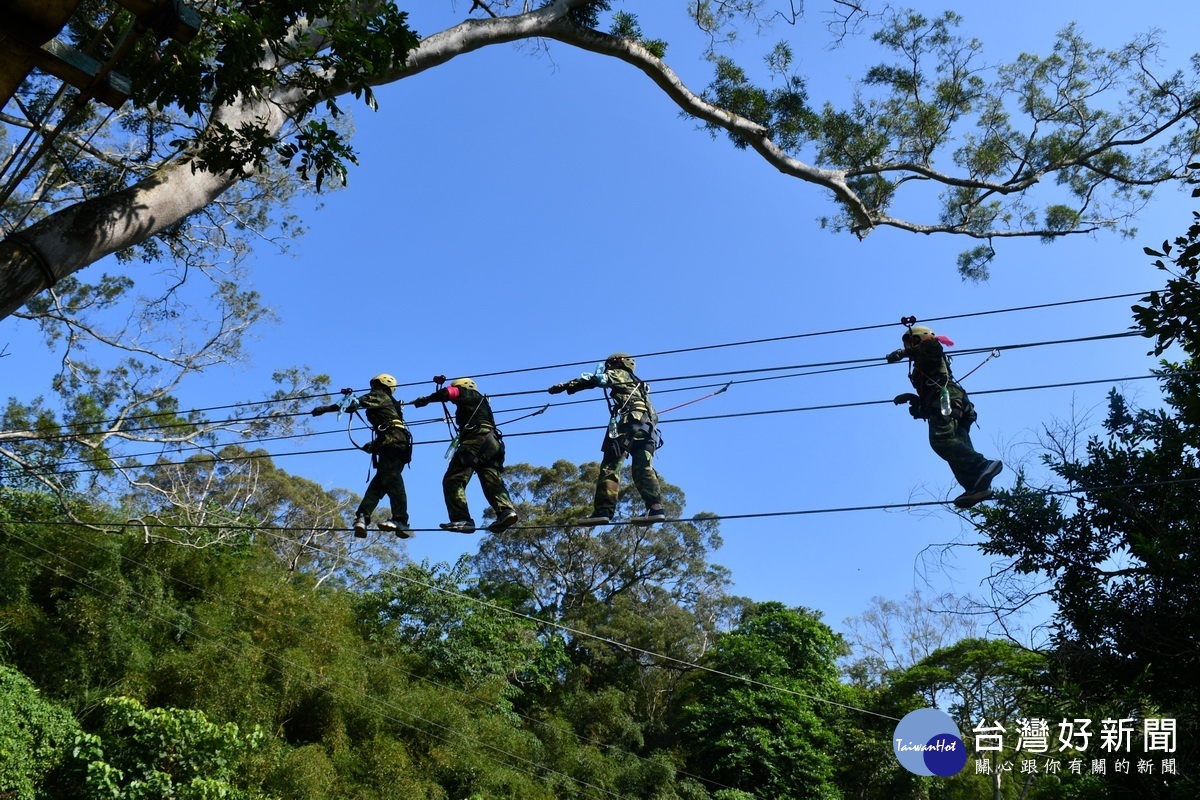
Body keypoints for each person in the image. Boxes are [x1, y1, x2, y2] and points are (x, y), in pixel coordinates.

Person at [886, 325, 1003, 508]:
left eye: (910, 343)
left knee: (941, 440)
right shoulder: (921, 365)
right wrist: (913, 400)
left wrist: (902, 353)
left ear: (918, 340)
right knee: (955, 447)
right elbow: (928, 395)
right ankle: (976, 486)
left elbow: (931, 346)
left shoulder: (930, 348)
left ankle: (981, 465)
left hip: (948, 400)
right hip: (951, 403)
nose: (908, 347)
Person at [548, 352, 665, 525]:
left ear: (616, 363)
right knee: (643, 469)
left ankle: (603, 510)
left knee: (611, 466)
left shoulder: (620, 374)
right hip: (648, 430)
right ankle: (655, 508)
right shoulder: (640, 386)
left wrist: (567, 386)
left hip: (629, 424)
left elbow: (596, 380)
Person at [409, 378, 519, 534]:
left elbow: (449, 392)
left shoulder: (468, 393)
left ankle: (462, 519)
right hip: (493, 444)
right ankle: (506, 511)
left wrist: (427, 399)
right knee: (491, 480)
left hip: (476, 441)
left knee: (453, 479)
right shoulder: (482, 403)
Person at [312, 373, 413, 538]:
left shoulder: (379, 395)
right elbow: (389, 426)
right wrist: (375, 445)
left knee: (393, 479)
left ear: (379, 384)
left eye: (373, 385)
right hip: (392, 443)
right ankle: (362, 518)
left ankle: (400, 520)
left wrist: (325, 409)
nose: (371, 388)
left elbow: (354, 402)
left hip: (393, 444)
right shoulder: (391, 404)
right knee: (379, 484)